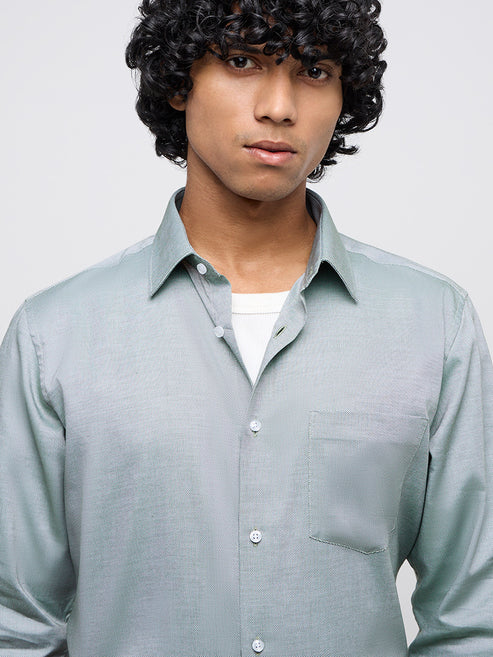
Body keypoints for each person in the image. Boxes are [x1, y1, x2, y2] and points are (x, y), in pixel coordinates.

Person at [0, 0, 492, 655]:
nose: (279, 107)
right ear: (179, 82)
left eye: (313, 71)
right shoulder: (53, 335)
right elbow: (16, 625)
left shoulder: (434, 324)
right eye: (241, 61)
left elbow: (473, 618)